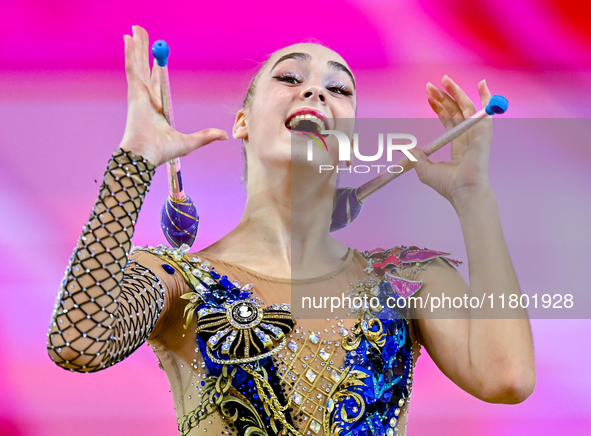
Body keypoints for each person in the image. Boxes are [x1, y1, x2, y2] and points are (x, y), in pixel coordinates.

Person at [47, 25, 536, 436]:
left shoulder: (407, 278)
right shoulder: (178, 278)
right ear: (242, 122)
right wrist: (133, 163)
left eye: (339, 89)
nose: (316, 91)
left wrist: (474, 198)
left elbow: (507, 378)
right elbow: (77, 342)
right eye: (290, 77)